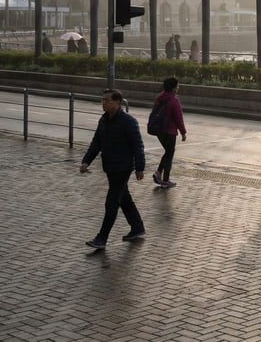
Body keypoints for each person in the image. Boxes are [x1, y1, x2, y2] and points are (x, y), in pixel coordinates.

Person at [79, 89, 146, 249]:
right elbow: (96, 143)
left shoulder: (128, 121)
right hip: (109, 166)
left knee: (112, 202)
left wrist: (140, 167)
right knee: (124, 198)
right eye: (102, 100)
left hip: (122, 168)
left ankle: (102, 238)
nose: (103, 103)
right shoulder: (103, 121)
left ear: (117, 102)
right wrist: (86, 161)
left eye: (106, 100)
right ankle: (137, 227)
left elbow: (138, 146)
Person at [151, 76, 188, 188]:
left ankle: (161, 175)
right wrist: (183, 132)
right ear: (173, 88)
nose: (178, 88)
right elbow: (178, 118)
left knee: (168, 152)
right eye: (177, 86)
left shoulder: (159, 98)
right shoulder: (174, 100)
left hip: (159, 129)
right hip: (170, 131)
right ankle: (163, 177)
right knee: (169, 154)